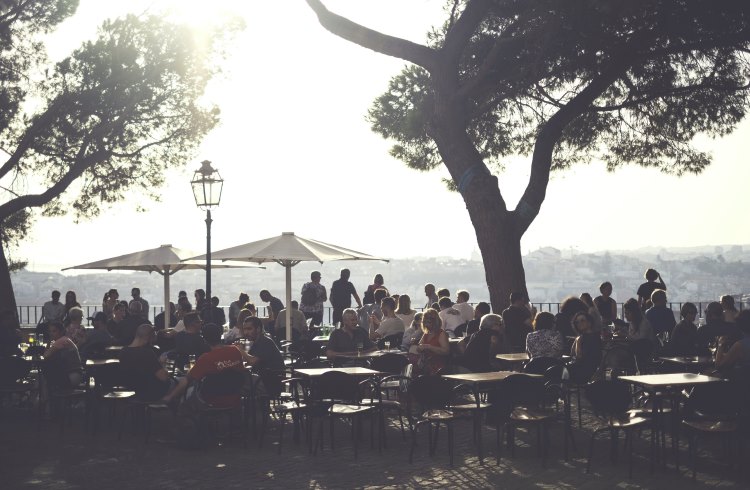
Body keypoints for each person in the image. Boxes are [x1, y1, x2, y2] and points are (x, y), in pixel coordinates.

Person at [162, 322, 247, 409]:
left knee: (187, 395)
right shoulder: (235, 351)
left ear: (204, 340)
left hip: (211, 400)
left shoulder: (205, 359)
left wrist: (170, 397)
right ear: (220, 334)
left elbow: (187, 380)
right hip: (235, 397)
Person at [120, 324, 175, 401]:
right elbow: (164, 377)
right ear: (148, 337)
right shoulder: (147, 353)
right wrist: (162, 363)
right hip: (148, 391)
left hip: (130, 390)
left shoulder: (123, 351)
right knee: (176, 384)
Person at [43, 321, 83, 389]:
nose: (51, 333)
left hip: (71, 376)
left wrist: (49, 341)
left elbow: (46, 355)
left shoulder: (62, 341)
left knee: (44, 375)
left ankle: (43, 398)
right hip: (75, 375)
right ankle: (45, 397)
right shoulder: (65, 339)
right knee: (45, 374)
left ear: (61, 332)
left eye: (54, 331)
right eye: (50, 331)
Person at [569, 311, 602, 381]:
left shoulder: (591, 338)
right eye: (577, 322)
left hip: (587, 370)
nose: (579, 324)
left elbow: (579, 357)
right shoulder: (582, 337)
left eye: (582, 320)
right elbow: (572, 355)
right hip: (585, 368)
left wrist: (577, 342)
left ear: (589, 323)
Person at [415, 308, 449, 375]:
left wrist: (430, 347)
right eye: (425, 322)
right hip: (427, 364)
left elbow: (446, 351)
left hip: (438, 366)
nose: (426, 325)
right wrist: (420, 348)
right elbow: (419, 347)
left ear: (435, 322)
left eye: (428, 322)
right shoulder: (426, 333)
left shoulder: (441, 333)